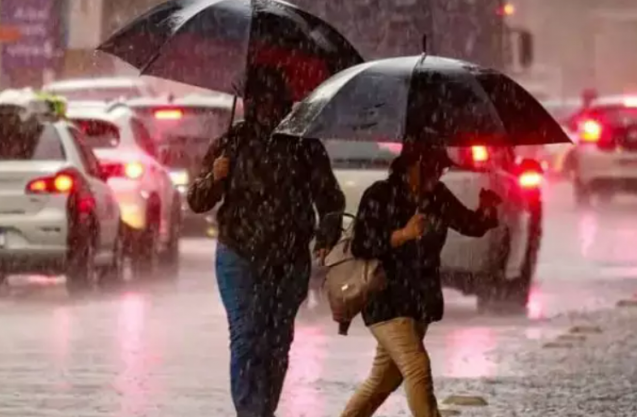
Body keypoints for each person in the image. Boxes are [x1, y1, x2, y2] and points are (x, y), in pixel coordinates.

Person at [187, 66, 345, 417]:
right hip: (238, 255)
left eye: (275, 102)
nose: (268, 110)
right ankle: (251, 413)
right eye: (260, 102)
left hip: (288, 261)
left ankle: (262, 411)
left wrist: (325, 234)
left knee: (276, 343)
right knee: (246, 338)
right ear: (249, 104)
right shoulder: (232, 144)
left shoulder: (305, 147)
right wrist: (215, 177)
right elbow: (197, 201)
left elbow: (331, 200)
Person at [340, 143, 500, 417]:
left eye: (441, 169)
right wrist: (402, 234)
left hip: (419, 300)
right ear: (411, 166)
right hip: (386, 298)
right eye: (431, 169)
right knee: (416, 367)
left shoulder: (437, 196)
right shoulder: (379, 195)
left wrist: (486, 211)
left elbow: (469, 225)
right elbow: (362, 246)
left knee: (383, 381)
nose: (436, 176)